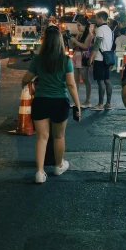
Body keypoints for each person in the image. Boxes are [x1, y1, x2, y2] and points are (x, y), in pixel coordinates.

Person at [21, 26, 82, 184]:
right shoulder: (65, 60)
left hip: (41, 100)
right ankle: (58, 165)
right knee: (59, 136)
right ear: (59, 41)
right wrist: (77, 104)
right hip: (59, 101)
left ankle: (40, 173)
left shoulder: (38, 60)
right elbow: (71, 84)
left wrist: (30, 82)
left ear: (45, 41)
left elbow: (26, 79)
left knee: (41, 137)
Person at [88, 11, 114, 111]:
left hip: (100, 58)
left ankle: (100, 104)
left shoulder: (100, 29)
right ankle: (108, 103)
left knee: (100, 81)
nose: (96, 20)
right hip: (108, 58)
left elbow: (97, 45)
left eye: (97, 18)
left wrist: (91, 58)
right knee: (107, 80)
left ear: (101, 19)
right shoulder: (109, 30)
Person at [68, 17, 94, 108]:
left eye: (79, 25)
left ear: (84, 26)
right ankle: (76, 100)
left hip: (83, 56)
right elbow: (72, 46)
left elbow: (85, 46)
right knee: (75, 80)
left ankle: (88, 101)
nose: (77, 27)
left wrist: (75, 41)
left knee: (85, 79)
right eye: (77, 25)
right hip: (76, 56)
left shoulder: (89, 35)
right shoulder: (79, 35)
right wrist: (70, 39)